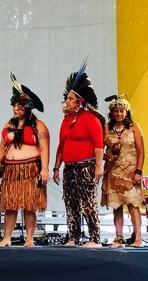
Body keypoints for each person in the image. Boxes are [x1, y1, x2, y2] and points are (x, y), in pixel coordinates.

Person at [0, 74, 49, 247]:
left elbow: (45, 148)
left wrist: (44, 169)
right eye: (14, 106)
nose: (15, 109)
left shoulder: (38, 126)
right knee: (10, 204)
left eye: (19, 106)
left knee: (30, 204)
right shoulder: (9, 124)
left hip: (30, 169)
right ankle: (7, 237)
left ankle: (29, 238)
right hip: (11, 170)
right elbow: (2, 147)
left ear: (28, 108)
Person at [52, 62, 105, 248]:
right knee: (71, 201)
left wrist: (99, 166)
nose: (67, 101)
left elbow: (99, 145)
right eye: (67, 98)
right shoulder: (66, 120)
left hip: (86, 166)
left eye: (71, 98)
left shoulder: (91, 119)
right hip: (70, 167)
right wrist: (56, 167)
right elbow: (61, 146)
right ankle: (73, 236)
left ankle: (95, 238)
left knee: (88, 202)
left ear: (80, 101)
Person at [101, 94, 144, 248]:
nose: (119, 113)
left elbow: (141, 151)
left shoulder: (134, 126)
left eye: (122, 110)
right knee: (116, 205)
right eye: (116, 111)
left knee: (133, 204)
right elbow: (100, 149)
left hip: (131, 171)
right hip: (113, 171)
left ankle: (138, 237)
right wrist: (108, 156)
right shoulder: (107, 127)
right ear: (112, 112)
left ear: (126, 111)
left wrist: (138, 171)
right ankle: (119, 237)